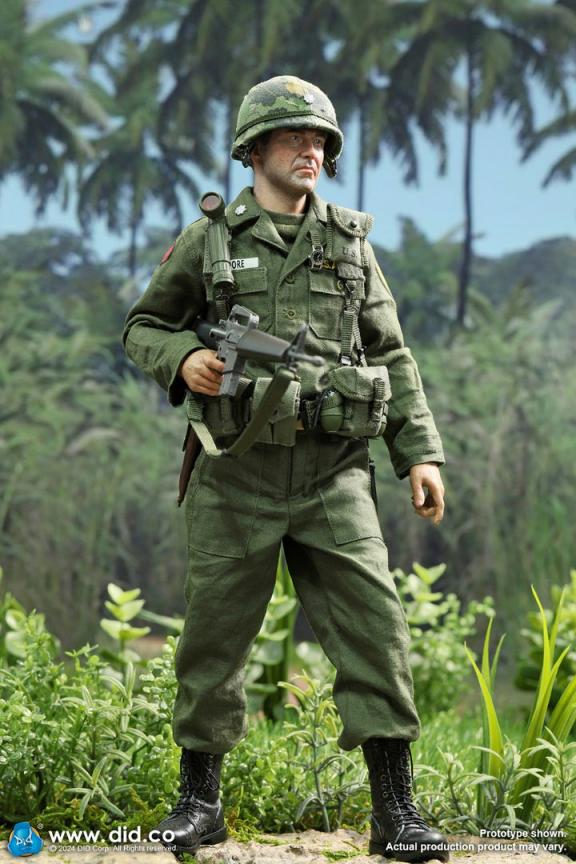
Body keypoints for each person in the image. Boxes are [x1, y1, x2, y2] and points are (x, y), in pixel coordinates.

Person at [123, 75, 449, 863]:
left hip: (335, 474)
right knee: (214, 638)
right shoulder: (211, 240)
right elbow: (144, 325)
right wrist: (186, 359)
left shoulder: (349, 242)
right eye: (294, 138)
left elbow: (389, 353)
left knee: (375, 631)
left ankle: (396, 811)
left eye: (320, 141)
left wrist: (419, 453)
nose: (310, 151)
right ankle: (200, 803)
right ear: (254, 150)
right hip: (235, 474)